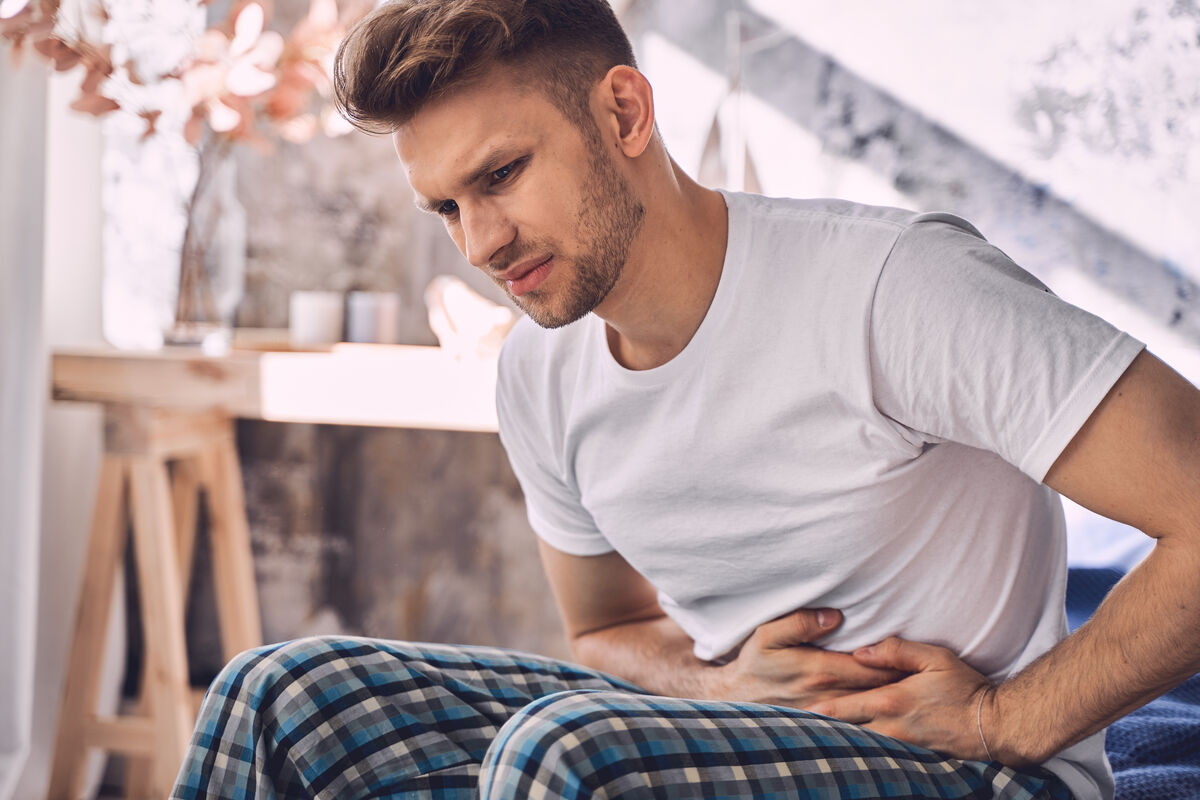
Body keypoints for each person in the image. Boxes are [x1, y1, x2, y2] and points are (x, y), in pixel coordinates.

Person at [171, 1, 1200, 798]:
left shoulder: (892, 287)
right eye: (447, 207)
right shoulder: (538, 373)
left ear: (623, 112)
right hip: (723, 734)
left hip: (969, 768)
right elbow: (606, 630)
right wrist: (721, 684)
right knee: (281, 694)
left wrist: (1003, 719)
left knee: (565, 753)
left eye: (503, 174)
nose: (480, 243)